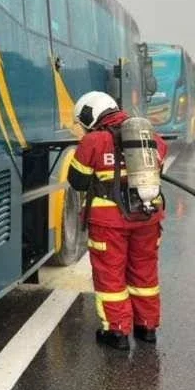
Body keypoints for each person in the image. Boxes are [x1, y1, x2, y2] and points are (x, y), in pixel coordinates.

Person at [67, 91, 169, 351]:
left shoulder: (94, 140)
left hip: (109, 222)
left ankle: (117, 331)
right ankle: (147, 328)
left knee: (110, 276)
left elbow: (77, 181)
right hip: (147, 217)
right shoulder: (150, 136)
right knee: (144, 274)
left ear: (90, 116)